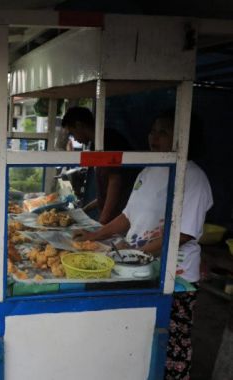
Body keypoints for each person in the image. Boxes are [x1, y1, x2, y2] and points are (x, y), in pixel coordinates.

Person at [74, 111, 213, 380]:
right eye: (153, 130)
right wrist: (94, 236)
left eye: (163, 131)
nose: (154, 137)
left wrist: (132, 254)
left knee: (171, 345)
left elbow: (182, 233)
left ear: (184, 135)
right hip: (139, 270)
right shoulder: (149, 170)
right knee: (140, 341)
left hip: (174, 277)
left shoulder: (193, 177)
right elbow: (127, 217)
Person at [62, 107, 138, 224]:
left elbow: (115, 182)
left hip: (122, 216)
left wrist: (102, 221)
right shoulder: (95, 145)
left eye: (73, 133)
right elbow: (105, 193)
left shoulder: (109, 140)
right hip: (112, 216)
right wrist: (84, 210)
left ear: (79, 125)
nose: (75, 139)